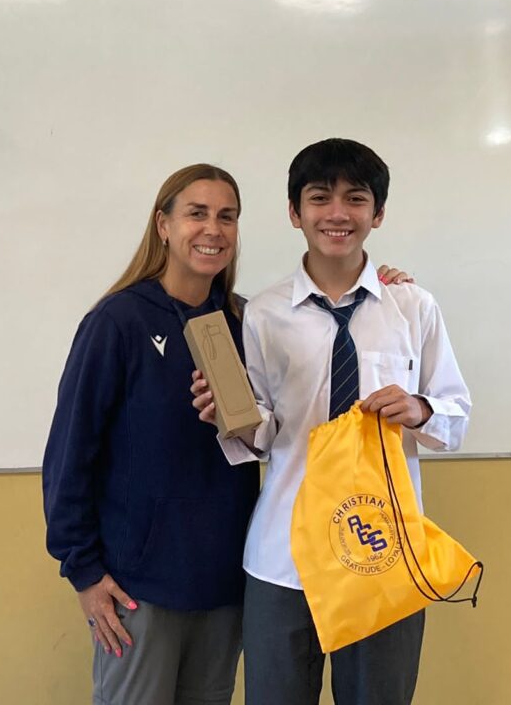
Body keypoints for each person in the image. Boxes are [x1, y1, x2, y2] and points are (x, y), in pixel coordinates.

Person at [43, 162, 413, 705]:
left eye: (227, 217)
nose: (213, 230)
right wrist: (83, 570)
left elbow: (271, 431)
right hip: (138, 586)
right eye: (197, 214)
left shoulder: (248, 321)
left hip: (225, 583)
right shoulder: (118, 322)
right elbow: (71, 453)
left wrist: (378, 288)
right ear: (163, 224)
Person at [191, 139, 471, 705]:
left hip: (382, 552)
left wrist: (419, 408)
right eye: (319, 198)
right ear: (295, 213)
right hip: (284, 557)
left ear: (378, 213)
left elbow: (455, 413)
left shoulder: (412, 306)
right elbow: (264, 433)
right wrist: (232, 418)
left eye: (356, 199)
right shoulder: (263, 314)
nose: (337, 213)